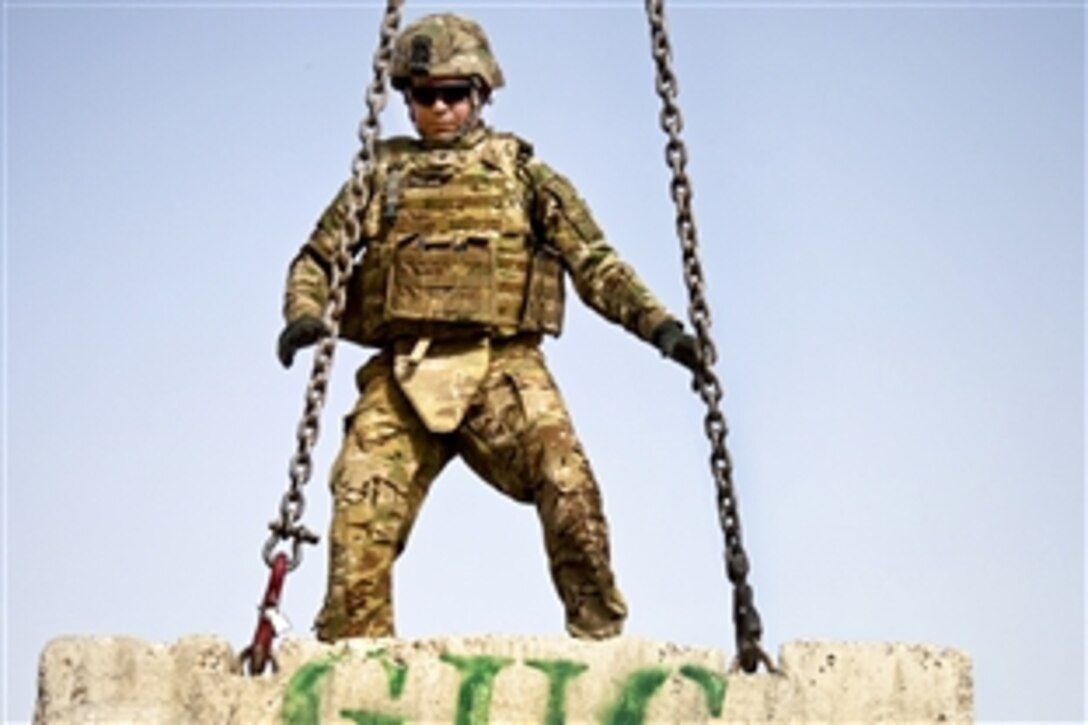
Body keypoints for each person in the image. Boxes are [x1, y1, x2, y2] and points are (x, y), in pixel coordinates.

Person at [278, 12, 697, 643]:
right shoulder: (380, 178)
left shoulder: (524, 176)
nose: (441, 107)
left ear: (481, 95)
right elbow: (317, 259)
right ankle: (357, 666)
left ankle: (599, 642)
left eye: (455, 93)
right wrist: (303, 314)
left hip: (503, 369)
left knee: (569, 487)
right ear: (408, 100)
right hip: (406, 372)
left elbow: (597, 265)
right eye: (426, 94)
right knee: (358, 516)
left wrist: (664, 329)